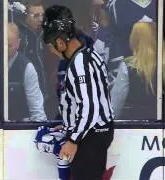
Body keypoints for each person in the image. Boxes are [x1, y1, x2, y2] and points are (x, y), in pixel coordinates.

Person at [41, 5, 114, 179]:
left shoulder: (81, 64)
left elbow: (90, 107)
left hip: (91, 138)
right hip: (92, 135)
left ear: (60, 43)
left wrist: (74, 139)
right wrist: (69, 126)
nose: (50, 51)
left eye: (50, 45)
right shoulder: (88, 55)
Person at [111, 22, 165, 121]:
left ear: (135, 40)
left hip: (135, 127)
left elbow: (116, 103)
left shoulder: (127, 66)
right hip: (164, 125)